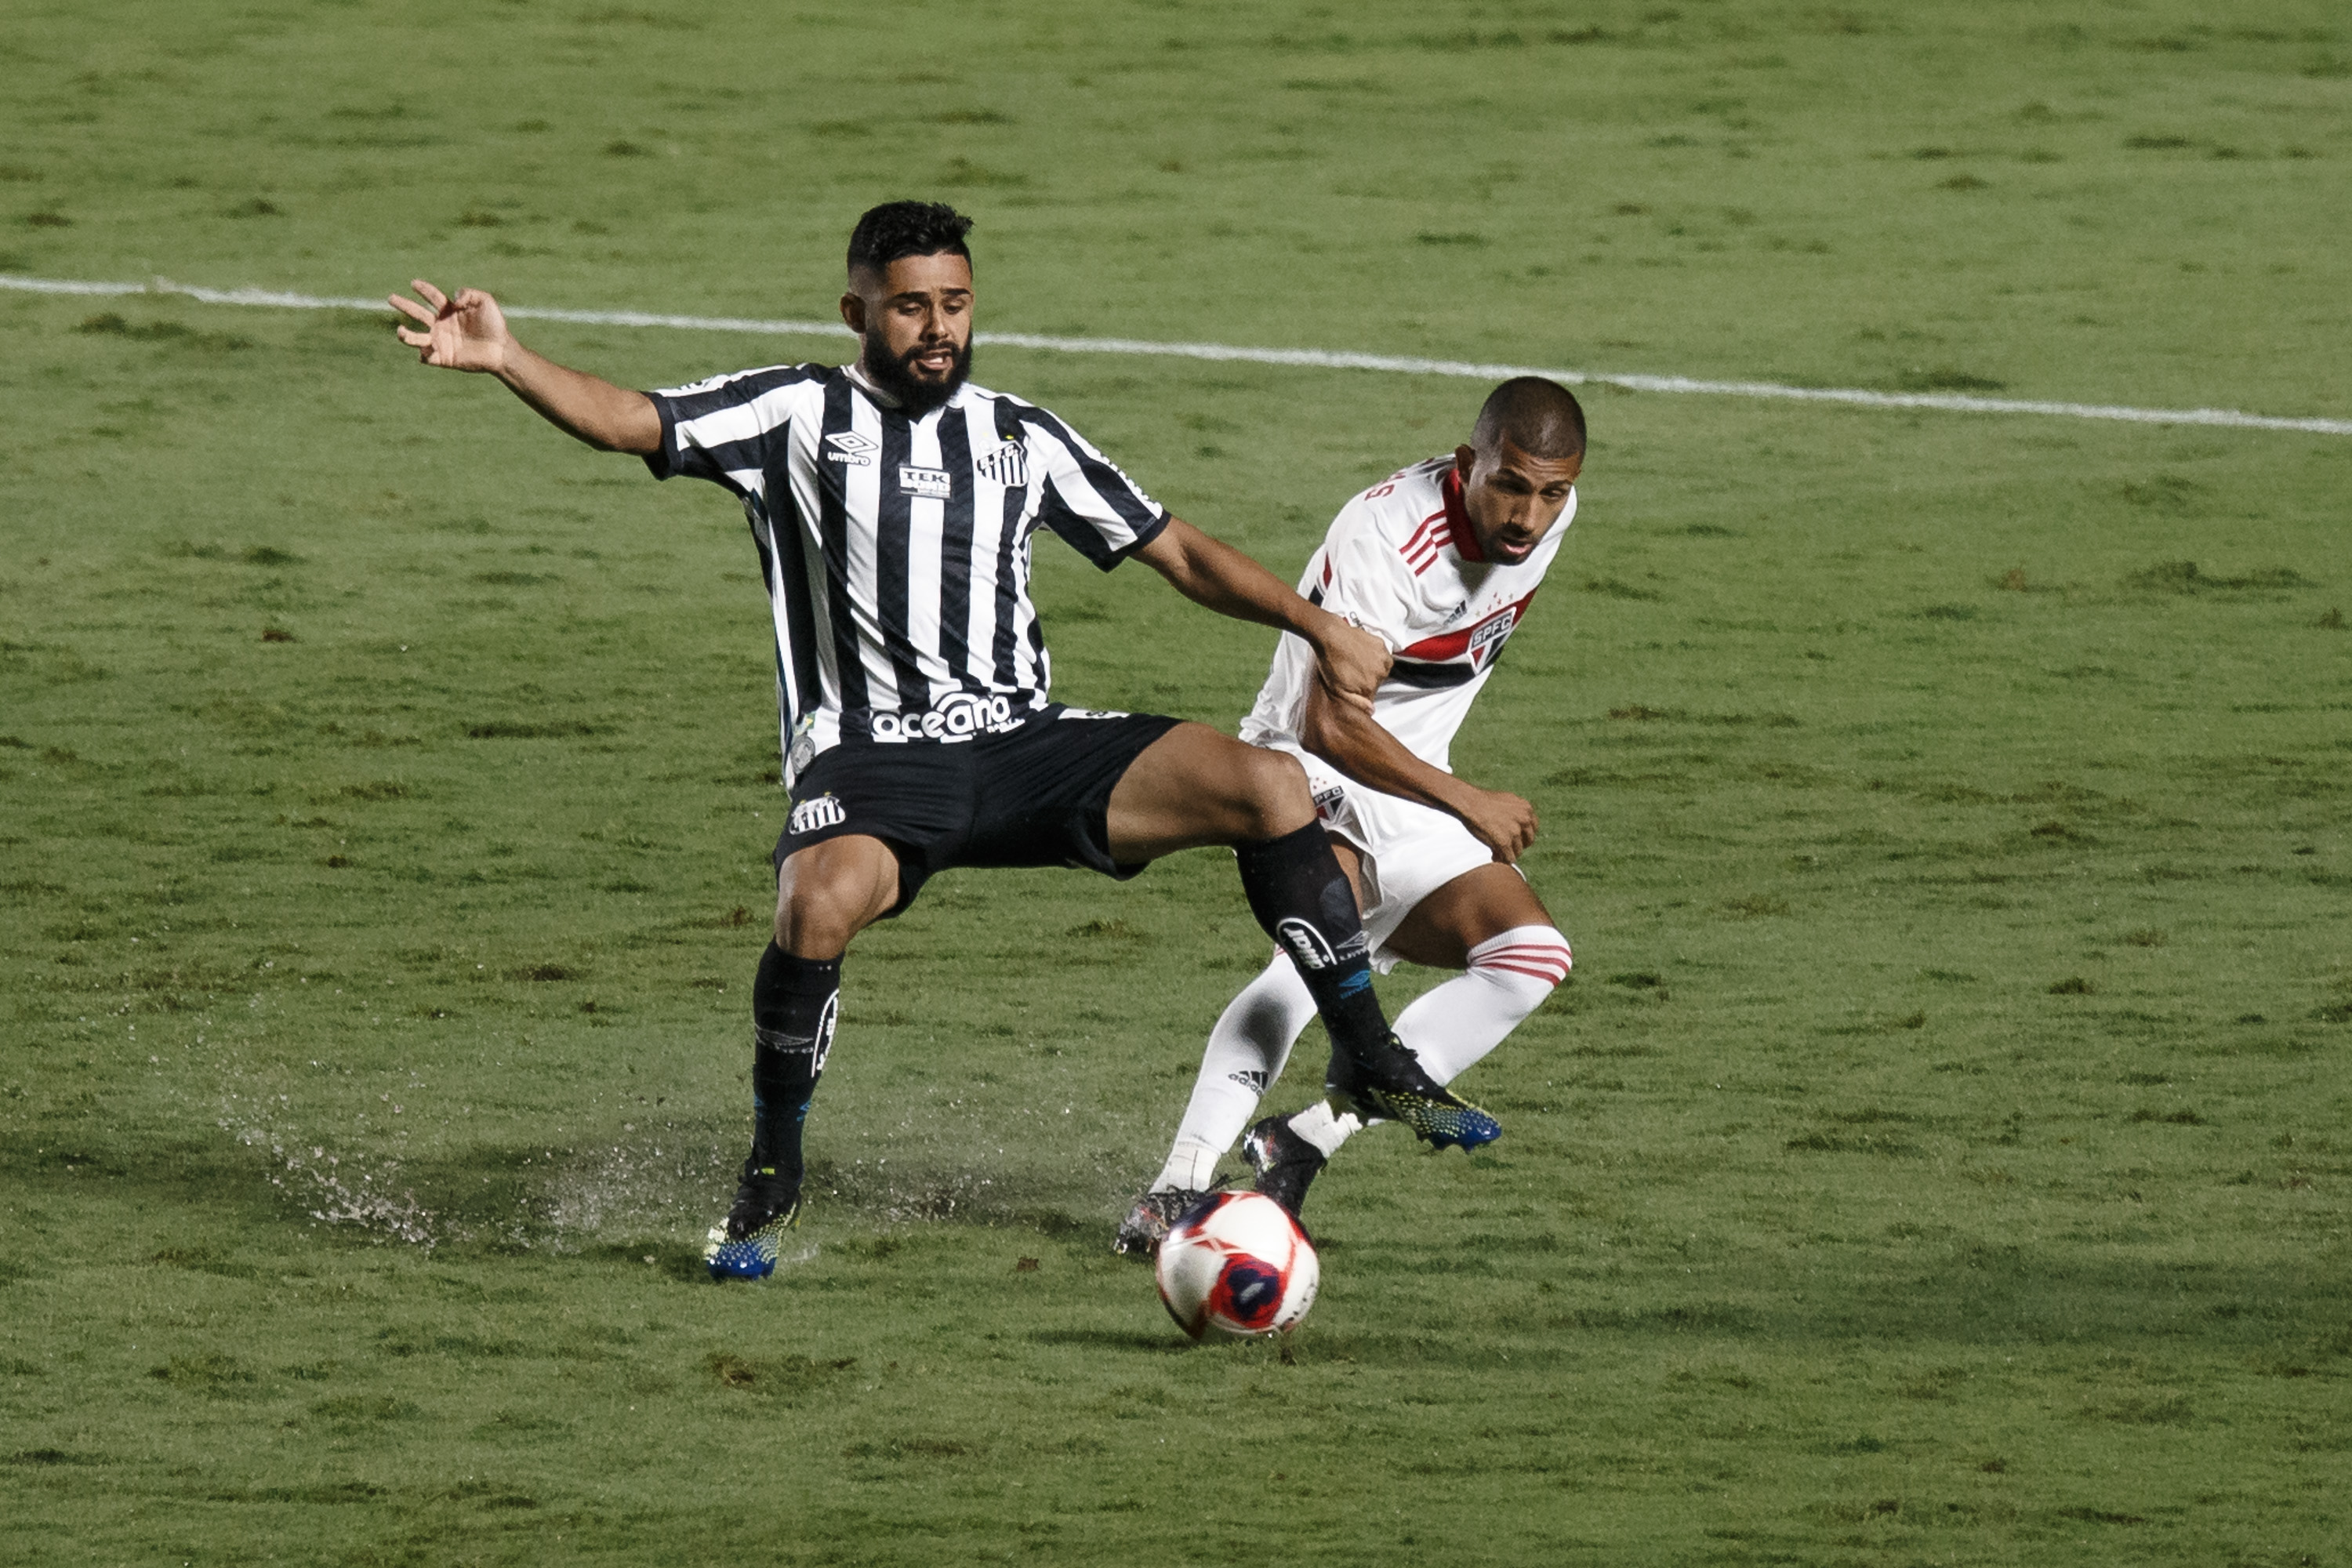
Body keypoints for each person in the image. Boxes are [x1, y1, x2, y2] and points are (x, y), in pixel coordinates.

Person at [387, 200, 1498, 1279]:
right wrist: (508, 359)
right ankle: (773, 1172)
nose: (939, 329)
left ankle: (1368, 1051)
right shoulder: (793, 414)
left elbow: (1179, 553)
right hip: (869, 759)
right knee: (814, 906)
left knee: (1266, 784)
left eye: (956, 304)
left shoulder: (1020, 434)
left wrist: (1314, 625)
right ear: (857, 312)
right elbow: (635, 418)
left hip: (1023, 741)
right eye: (912, 307)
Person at [1116, 377, 1585, 1255]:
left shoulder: (1553, 517)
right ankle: (1174, 1186)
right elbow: (1328, 722)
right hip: (1306, 764)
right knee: (1317, 958)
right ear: (1465, 465)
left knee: (1531, 958)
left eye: (1551, 491)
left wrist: (1444, 792)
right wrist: (1467, 801)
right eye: (1511, 485)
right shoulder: (1386, 537)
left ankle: (1303, 1140)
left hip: (1415, 781)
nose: (1528, 514)